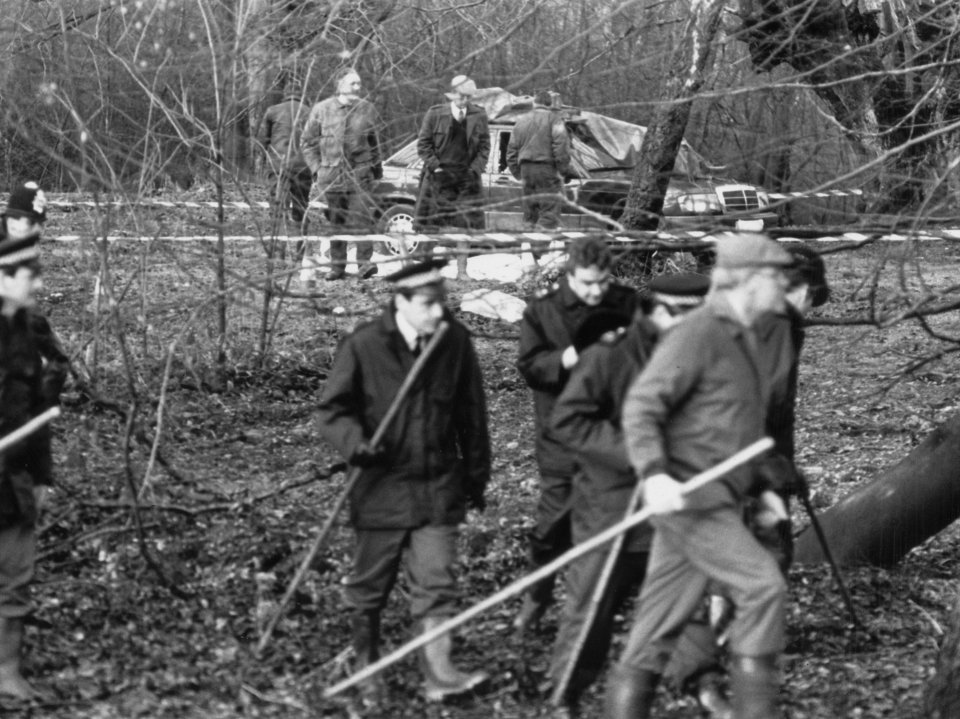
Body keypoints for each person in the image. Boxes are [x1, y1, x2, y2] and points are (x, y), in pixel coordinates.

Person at [604, 232, 795, 719]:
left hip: (723, 494)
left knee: (657, 624)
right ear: (747, 281)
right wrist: (654, 475)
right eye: (775, 276)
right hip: (693, 499)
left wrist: (764, 487)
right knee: (762, 587)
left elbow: (733, 428)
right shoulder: (700, 332)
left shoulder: (751, 335)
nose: (783, 286)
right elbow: (643, 406)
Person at [315, 259, 491, 703]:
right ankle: (369, 671)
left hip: (437, 488)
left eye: (442, 303)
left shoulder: (454, 342)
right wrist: (356, 445)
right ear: (402, 302)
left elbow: (473, 416)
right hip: (380, 488)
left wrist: (475, 478)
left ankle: (440, 675)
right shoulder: (364, 346)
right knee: (368, 591)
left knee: (437, 585)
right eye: (429, 305)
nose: (439, 314)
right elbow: (332, 411)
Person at [548, 273, 721, 717]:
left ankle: (703, 682)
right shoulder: (610, 356)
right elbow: (568, 421)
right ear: (662, 313)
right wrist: (638, 455)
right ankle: (566, 693)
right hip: (612, 505)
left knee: (684, 600)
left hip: (679, 502)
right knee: (593, 606)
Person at [514, 236, 638, 635]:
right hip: (561, 435)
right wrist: (570, 356)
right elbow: (531, 367)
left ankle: (599, 604)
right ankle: (537, 597)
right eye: (587, 284)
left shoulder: (626, 303)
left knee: (614, 521)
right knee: (553, 526)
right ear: (570, 276)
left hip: (613, 433)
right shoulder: (543, 310)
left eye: (602, 282)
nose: (595, 291)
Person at [0, 186, 67, 699]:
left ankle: (7, 673)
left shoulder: (29, 335)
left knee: (16, 576)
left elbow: (40, 414)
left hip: (14, 476)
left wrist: (42, 476)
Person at [752, 243, 831, 571]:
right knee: (768, 557)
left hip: (766, 459)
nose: (811, 309)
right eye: (812, 299)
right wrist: (775, 465)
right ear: (801, 290)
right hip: (748, 465)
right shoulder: (769, 330)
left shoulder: (781, 326)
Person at [301, 68, 382, 280]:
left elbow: (374, 144)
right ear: (339, 85)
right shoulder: (321, 110)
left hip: (360, 175)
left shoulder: (368, 109)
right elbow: (307, 143)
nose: (358, 87)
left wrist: (376, 171)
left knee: (362, 220)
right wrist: (317, 169)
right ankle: (337, 267)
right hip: (331, 175)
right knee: (336, 221)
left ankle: (364, 265)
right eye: (353, 83)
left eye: (359, 83)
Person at [415, 75, 490, 277]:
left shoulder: (479, 115)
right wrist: (436, 167)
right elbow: (423, 145)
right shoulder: (435, 114)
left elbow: (485, 147)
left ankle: (462, 272)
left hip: (466, 179)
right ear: (452, 94)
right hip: (438, 177)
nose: (465, 101)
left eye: (468, 97)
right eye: (461, 97)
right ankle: (425, 271)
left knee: (465, 227)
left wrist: (475, 169)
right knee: (430, 225)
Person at [257, 88, 313, 252]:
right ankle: (301, 250)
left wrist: (266, 158)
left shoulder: (272, 111)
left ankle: (278, 251)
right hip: (303, 166)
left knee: (277, 207)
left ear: (285, 96)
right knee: (301, 207)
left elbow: (262, 140)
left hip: (278, 165)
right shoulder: (311, 112)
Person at [506, 93, 571, 231]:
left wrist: (518, 174)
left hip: (525, 171)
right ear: (550, 105)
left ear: (533, 103)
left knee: (530, 214)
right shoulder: (555, 120)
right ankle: (538, 249)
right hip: (547, 170)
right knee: (549, 213)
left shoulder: (521, 121)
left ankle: (528, 249)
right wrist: (562, 170)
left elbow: (511, 151)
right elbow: (561, 147)